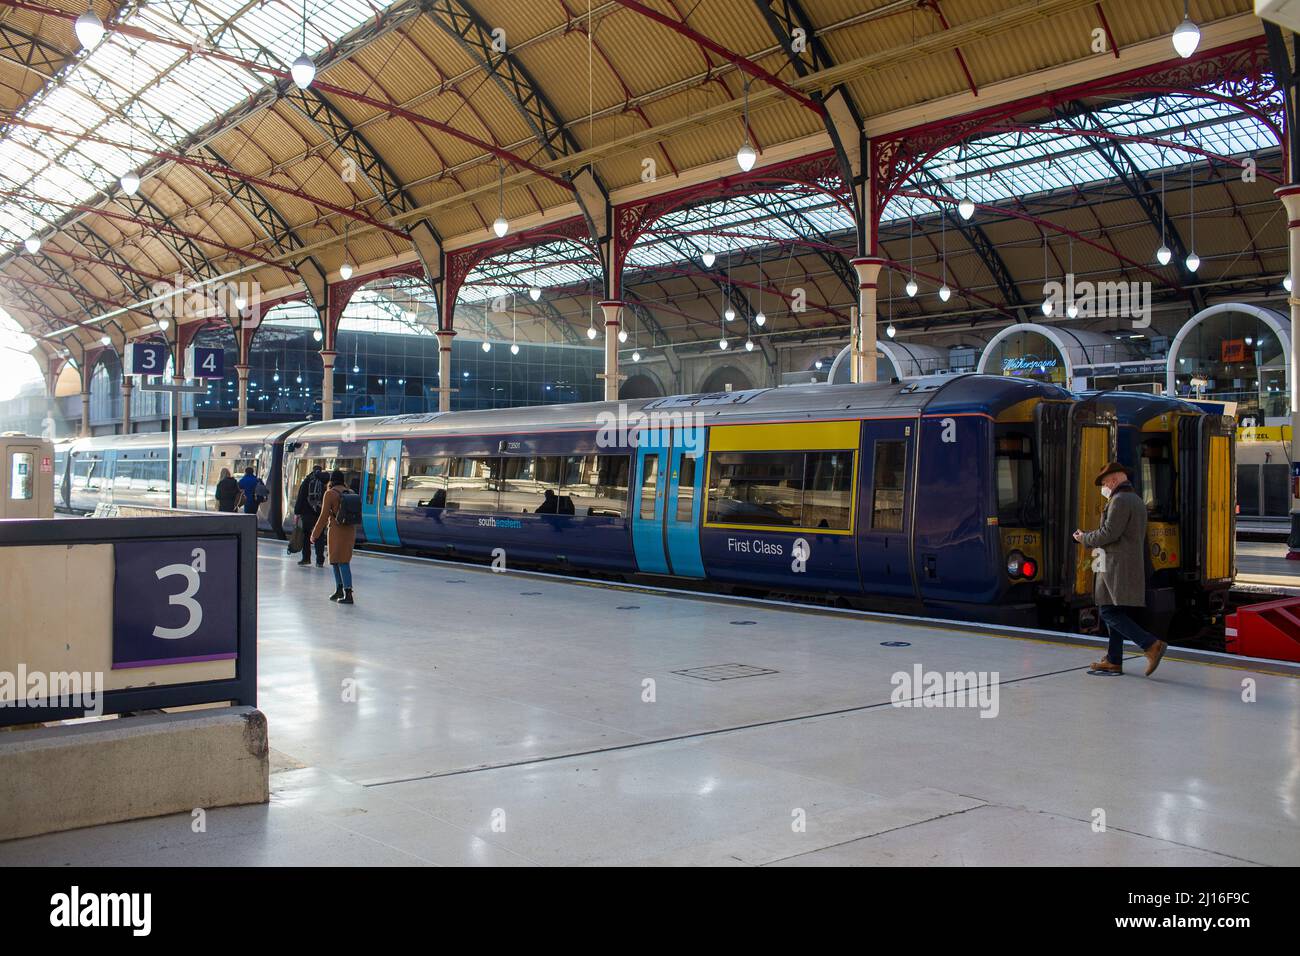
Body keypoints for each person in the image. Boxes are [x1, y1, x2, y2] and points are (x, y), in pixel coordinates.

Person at [1073, 461, 1168, 676]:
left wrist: (1083, 538)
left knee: (1107, 611)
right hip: (1125, 563)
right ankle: (1114, 659)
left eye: (1105, 483)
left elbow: (1108, 534)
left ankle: (1151, 645)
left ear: (1114, 480)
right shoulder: (1136, 500)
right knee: (1112, 608)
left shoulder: (1119, 501)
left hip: (1116, 565)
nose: (1105, 488)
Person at [311, 469, 357, 605]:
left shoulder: (330, 493)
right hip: (350, 530)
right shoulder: (351, 492)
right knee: (338, 560)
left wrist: (315, 534)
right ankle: (339, 590)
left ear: (332, 480)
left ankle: (347, 593)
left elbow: (323, 516)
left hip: (336, 531)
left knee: (340, 561)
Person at [294, 464, 327, 567]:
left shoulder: (307, 481)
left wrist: (297, 512)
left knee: (306, 536)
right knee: (319, 536)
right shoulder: (324, 483)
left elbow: (301, 496)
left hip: (306, 514)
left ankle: (306, 558)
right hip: (319, 514)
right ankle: (320, 560)